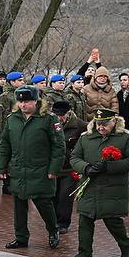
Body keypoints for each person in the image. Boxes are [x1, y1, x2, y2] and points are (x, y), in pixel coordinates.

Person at [67, 107, 129, 257]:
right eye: (98, 124)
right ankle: (84, 252)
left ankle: (125, 245)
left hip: (112, 187)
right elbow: (74, 157)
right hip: (89, 185)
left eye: (105, 124)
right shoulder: (86, 137)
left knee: (112, 219)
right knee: (85, 219)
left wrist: (108, 167)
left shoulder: (126, 137)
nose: (100, 127)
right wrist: (86, 168)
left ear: (114, 121)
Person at [0, 86, 63, 250]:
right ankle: (21, 237)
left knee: (43, 203)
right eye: (20, 102)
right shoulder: (12, 119)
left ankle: (53, 230)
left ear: (36, 101)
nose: (23, 105)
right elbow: (5, 144)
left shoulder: (48, 119)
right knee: (19, 205)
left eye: (27, 101)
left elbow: (58, 146)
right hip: (19, 168)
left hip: (41, 169)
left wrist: (54, 169)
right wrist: (1, 167)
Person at [50, 100, 83, 234]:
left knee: (65, 197)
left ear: (68, 113)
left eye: (62, 115)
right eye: (57, 115)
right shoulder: (48, 123)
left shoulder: (79, 125)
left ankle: (63, 223)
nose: (59, 118)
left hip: (70, 167)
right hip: (53, 166)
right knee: (52, 196)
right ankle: (52, 221)